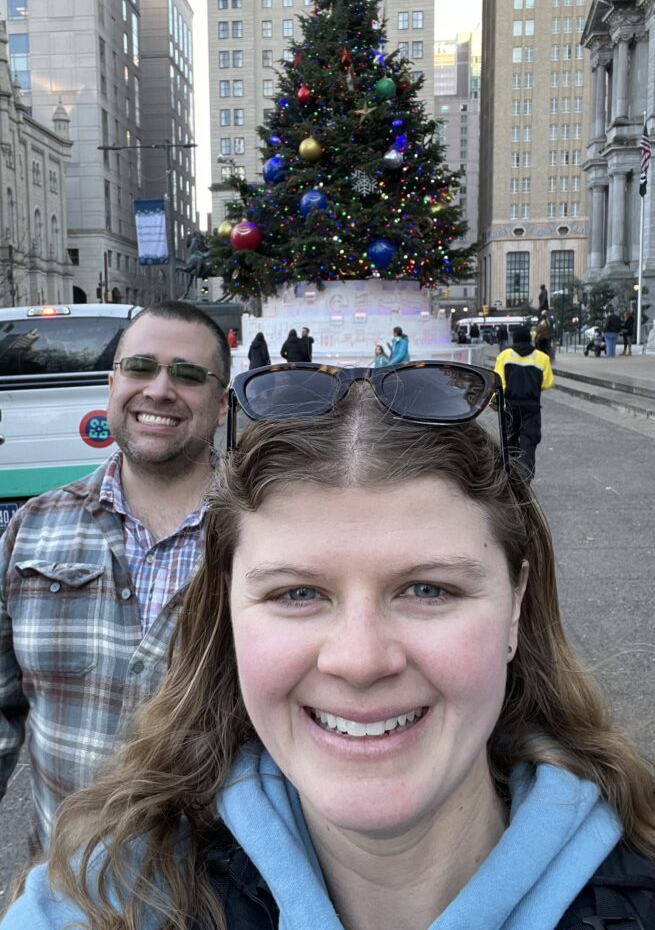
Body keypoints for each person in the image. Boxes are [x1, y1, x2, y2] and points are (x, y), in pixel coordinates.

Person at [4, 361, 655, 929]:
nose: (359, 659)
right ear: (227, 611)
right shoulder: (98, 900)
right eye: (296, 594)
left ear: (514, 606)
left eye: (426, 590)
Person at [0, 300, 231, 853]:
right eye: (140, 367)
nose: (159, 389)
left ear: (221, 404)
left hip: (224, 900)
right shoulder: (35, 526)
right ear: (112, 384)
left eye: (189, 374)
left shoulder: (268, 534)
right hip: (65, 892)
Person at [494, 325, 554, 480]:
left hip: (510, 405)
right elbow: (547, 383)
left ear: (514, 338)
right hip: (532, 406)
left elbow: (499, 381)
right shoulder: (542, 358)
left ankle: (510, 474)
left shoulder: (504, 356)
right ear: (529, 338)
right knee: (529, 442)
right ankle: (525, 475)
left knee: (509, 439)